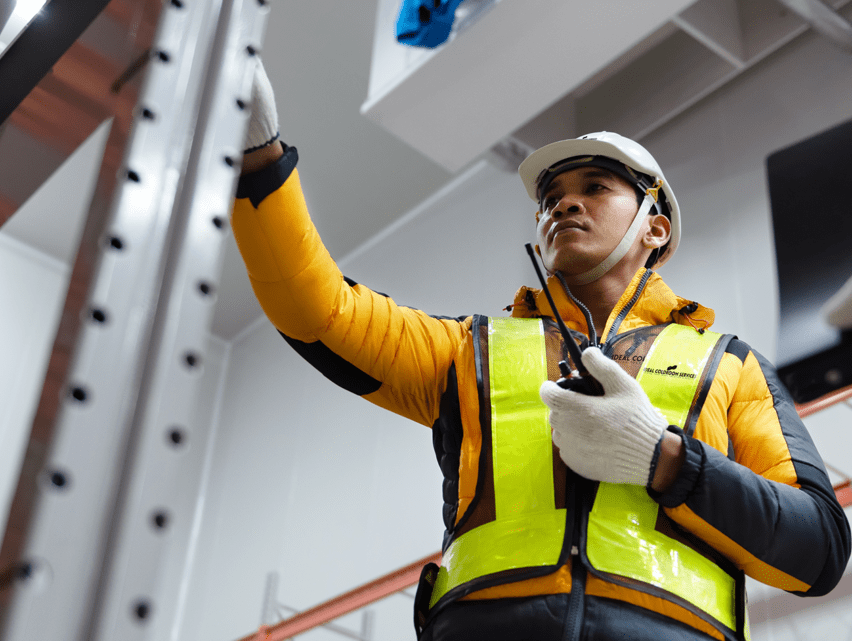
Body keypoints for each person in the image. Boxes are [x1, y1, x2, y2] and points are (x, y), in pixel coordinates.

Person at [231, 59, 850, 641]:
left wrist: (663, 459)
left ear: (654, 226)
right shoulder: (465, 351)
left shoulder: (729, 364)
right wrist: (260, 160)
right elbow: (318, 311)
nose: (563, 203)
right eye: (550, 198)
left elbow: (817, 549)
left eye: (596, 186)